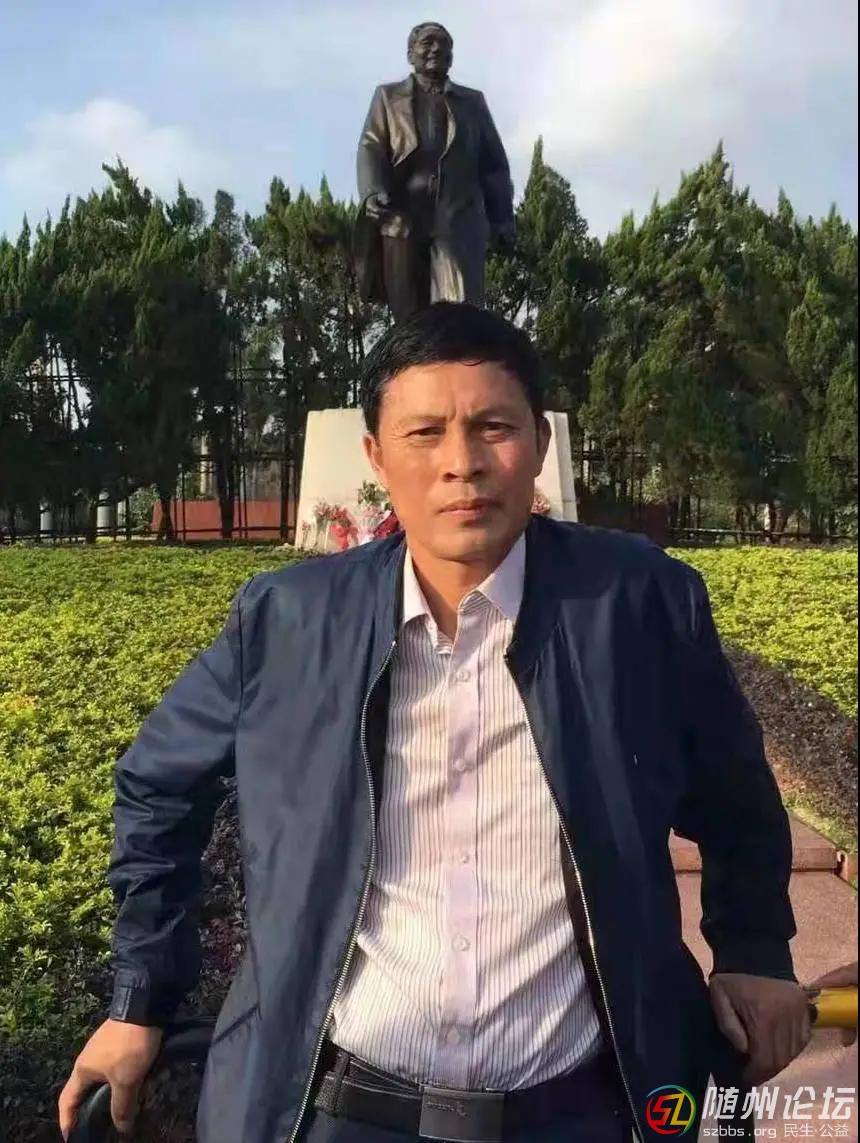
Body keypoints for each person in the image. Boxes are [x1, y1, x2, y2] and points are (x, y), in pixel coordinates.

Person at [59, 302, 811, 1143]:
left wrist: (754, 953)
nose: (462, 464)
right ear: (378, 456)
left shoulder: (638, 605)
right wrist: (140, 999)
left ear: (540, 444)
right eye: (424, 433)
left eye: (494, 427)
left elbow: (737, 797)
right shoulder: (287, 621)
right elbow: (157, 785)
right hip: (340, 1111)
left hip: (580, 1107)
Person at [354, 22, 515, 321]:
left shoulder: (472, 102)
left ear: (451, 56)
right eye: (427, 42)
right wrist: (373, 191)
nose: (436, 49)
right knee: (408, 320)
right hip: (402, 217)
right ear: (410, 54)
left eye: (444, 44)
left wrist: (503, 217)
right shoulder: (387, 97)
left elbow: (493, 166)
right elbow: (372, 145)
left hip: (457, 218)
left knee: (461, 316)